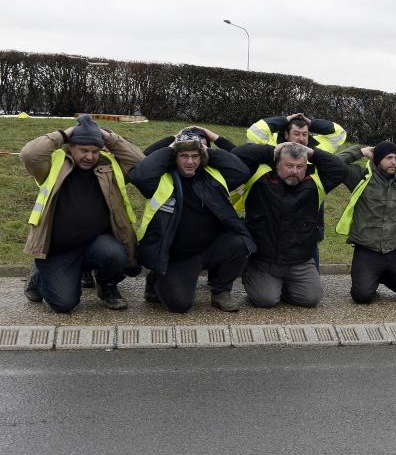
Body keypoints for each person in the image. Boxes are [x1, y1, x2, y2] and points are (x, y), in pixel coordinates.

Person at [21, 115, 143, 312]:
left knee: (116, 255)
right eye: (84, 150)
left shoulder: (108, 167)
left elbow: (139, 163)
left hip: (96, 244)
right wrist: (65, 133)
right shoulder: (53, 166)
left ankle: (107, 286)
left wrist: (108, 136)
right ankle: (39, 275)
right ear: (71, 146)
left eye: (95, 151)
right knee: (64, 304)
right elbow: (29, 154)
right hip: (59, 250)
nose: (90, 157)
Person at [129, 128, 255, 313]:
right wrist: (172, 146)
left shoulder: (213, 176)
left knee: (240, 241)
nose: (190, 162)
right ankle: (156, 279)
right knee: (179, 305)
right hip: (176, 257)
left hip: (208, 249)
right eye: (184, 156)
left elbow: (241, 171)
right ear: (174, 157)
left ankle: (221, 291)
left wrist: (206, 149)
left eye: (195, 156)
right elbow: (139, 175)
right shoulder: (160, 179)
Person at [232, 141, 347, 308]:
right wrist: (273, 150)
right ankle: (253, 275)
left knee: (311, 299)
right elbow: (237, 153)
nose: (294, 171)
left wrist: (312, 152)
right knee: (266, 300)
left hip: (300, 261)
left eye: (300, 167)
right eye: (289, 165)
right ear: (277, 163)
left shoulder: (315, 182)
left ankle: (284, 286)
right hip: (264, 261)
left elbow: (341, 170)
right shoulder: (259, 175)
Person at [335, 140, 396, 304]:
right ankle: (372, 276)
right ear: (377, 159)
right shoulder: (360, 177)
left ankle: (382, 276)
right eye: (388, 158)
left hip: (394, 249)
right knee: (362, 296)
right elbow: (334, 163)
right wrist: (360, 151)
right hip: (367, 250)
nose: (394, 162)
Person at [246, 112, 347, 153]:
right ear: (286, 134)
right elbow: (255, 131)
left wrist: (312, 123)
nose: (301, 138)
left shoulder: (319, 146)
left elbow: (340, 133)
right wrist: (285, 120)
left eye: (304, 134)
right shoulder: (272, 142)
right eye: (296, 134)